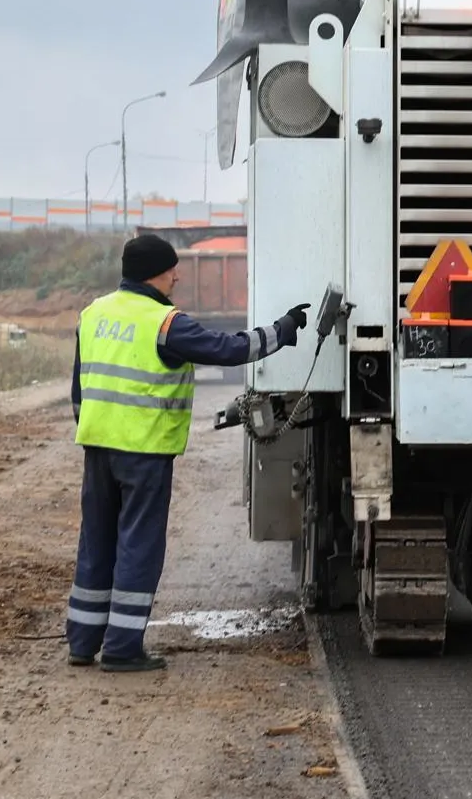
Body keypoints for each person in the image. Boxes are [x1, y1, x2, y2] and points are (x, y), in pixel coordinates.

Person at [66, 233, 309, 672]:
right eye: (171, 268)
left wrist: (94, 428)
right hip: (143, 451)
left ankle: (82, 642)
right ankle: (122, 649)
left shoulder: (93, 313)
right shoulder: (165, 322)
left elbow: (78, 389)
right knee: (139, 544)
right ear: (155, 273)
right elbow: (229, 349)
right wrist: (282, 331)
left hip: (97, 448)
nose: (177, 275)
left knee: (96, 541)